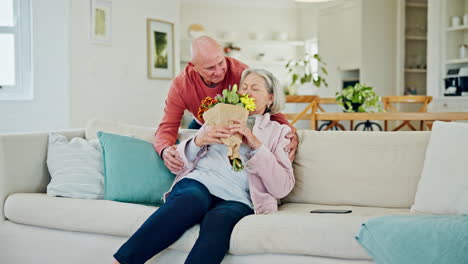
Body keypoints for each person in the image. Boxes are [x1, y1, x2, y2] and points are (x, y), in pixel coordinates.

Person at [112, 68, 295, 264]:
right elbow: (177, 166)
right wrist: (198, 140)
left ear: (270, 98)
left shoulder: (279, 133)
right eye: (244, 87)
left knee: (219, 223)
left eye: (255, 88)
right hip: (201, 182)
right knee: (189, 200)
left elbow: (282, 188)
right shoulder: (221, 114)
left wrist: (256, 145)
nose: (247, 92)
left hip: (239, 198)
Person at [154, 36, 298, 173]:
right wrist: (164, 149)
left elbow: (266, 104)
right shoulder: (181, 85)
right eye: (210, 68)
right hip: (202, 126)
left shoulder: (241, 73)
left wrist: (291, 132)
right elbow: (168, 125)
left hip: (240, 126)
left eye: (221, 63)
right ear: (194, 66)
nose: (218, 71)